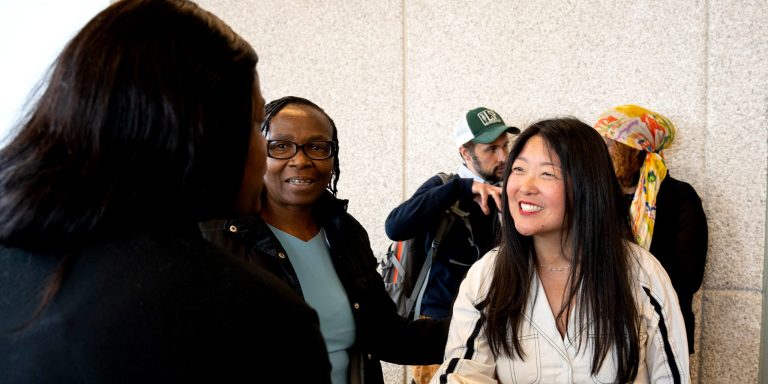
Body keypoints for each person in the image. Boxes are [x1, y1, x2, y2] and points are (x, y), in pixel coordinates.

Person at [0, 1, 330, 383]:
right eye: (257, 124)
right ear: (201, 133)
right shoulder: (257, 318)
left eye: (318, 147)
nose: (296, 160)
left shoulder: (17, 262)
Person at [200, 96, 448, 384]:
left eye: (317, 147)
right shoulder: (215, 236)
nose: (301, 160)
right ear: (256, 152)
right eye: (280, 146)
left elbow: (388, 336)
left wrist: (486, 327)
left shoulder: (345, 231)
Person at [432, 117, 689, 383]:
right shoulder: (488, 276)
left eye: (547, 173)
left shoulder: (640, 273)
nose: (525, 186)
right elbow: (462, 372)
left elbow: (671, 376)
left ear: (588, 185)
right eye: (518, 170)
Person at [385, 107, 519, 384]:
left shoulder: (509, 190)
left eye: (505, 146)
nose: (504, 156)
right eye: (491, 149)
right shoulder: (444, 188)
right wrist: (461, 188)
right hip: (438, 332)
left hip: (494, 329)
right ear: (465, 153)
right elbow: (395, 226)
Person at [594, 104, 708, 354]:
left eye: (609, 145)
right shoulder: (602, 198)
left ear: (633, 151)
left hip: (664, 328)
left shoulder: (678, 197)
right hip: (607, 331)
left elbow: (689, 276)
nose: (601, 153)